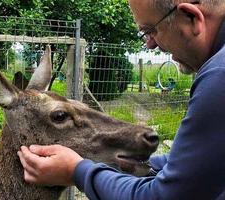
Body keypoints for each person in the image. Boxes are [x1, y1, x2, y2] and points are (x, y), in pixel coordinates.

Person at [17, 0, 225, 199]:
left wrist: (77, 171)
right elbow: (198, 167)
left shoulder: (219, 76)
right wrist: (140, 167)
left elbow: (163, 196)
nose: (150, 44)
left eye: (151, 30)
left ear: (191, 17)